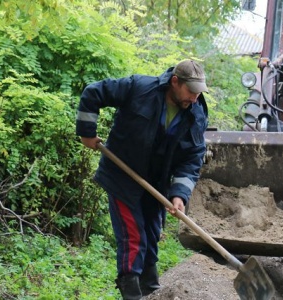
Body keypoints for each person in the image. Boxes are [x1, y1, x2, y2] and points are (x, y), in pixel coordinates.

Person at [76, 59, 209, 299]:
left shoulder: (196, 114)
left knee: (151, 232)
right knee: (133, 234)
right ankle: (131, 291)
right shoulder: (139, 88)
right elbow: (93, 92)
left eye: (199, 93)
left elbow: (192, 157)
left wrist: (179, 194)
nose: (195, 98)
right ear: (175, 82)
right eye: (191, 91)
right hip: (122, 175)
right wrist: (87, 133)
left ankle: (150, 287)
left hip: (156, 183)